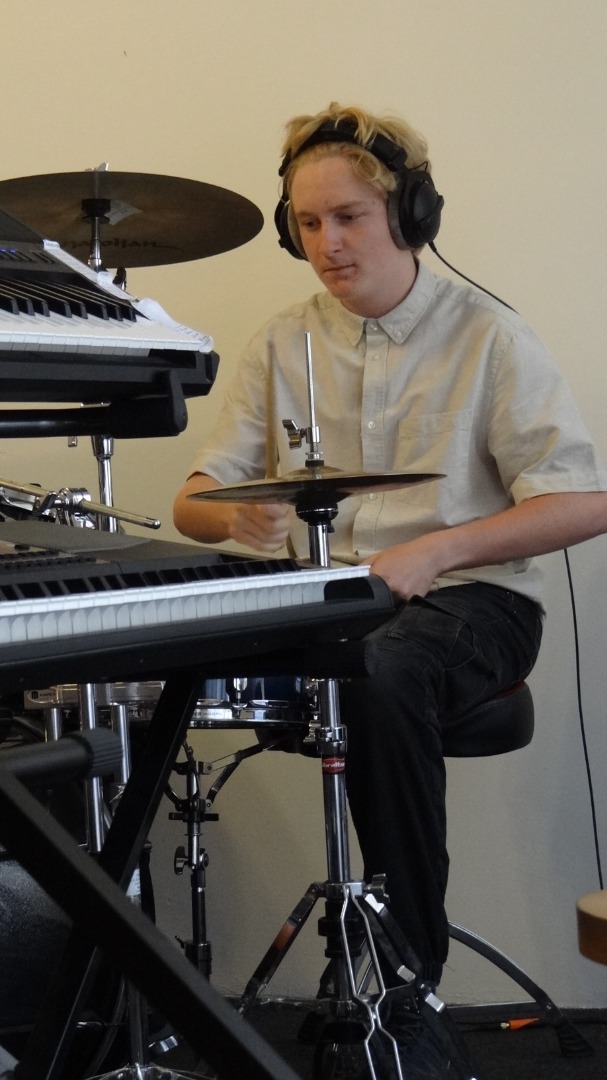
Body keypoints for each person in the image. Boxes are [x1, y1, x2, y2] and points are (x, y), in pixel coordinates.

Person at [174, 102, 607, 1072]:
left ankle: (402, 978)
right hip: (328, 606)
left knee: (386, 668)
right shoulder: (281, 344)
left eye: (348, 217)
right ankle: (137, 986)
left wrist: (437, 550)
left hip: (475, 603)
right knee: (158, 659)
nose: (325, 243)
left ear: (410, 214)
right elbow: (194, 498)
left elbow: (583, 503)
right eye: (307, 222)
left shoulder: (488, 335)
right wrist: (231, 520)